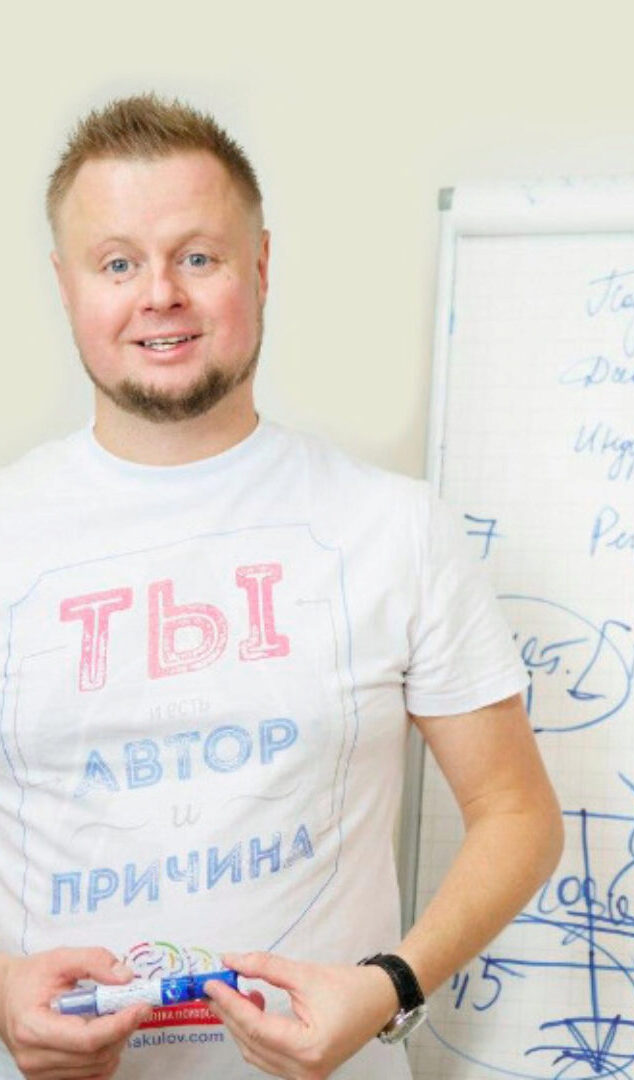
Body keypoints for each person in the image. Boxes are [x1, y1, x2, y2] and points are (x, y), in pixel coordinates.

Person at [0, 94, 563, 1080]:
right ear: (65, 283)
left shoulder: (396, 528)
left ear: (260, 267)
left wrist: (390, 985)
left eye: (198, 257)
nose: (160, 294)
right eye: (118, 263)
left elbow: (518, 814)